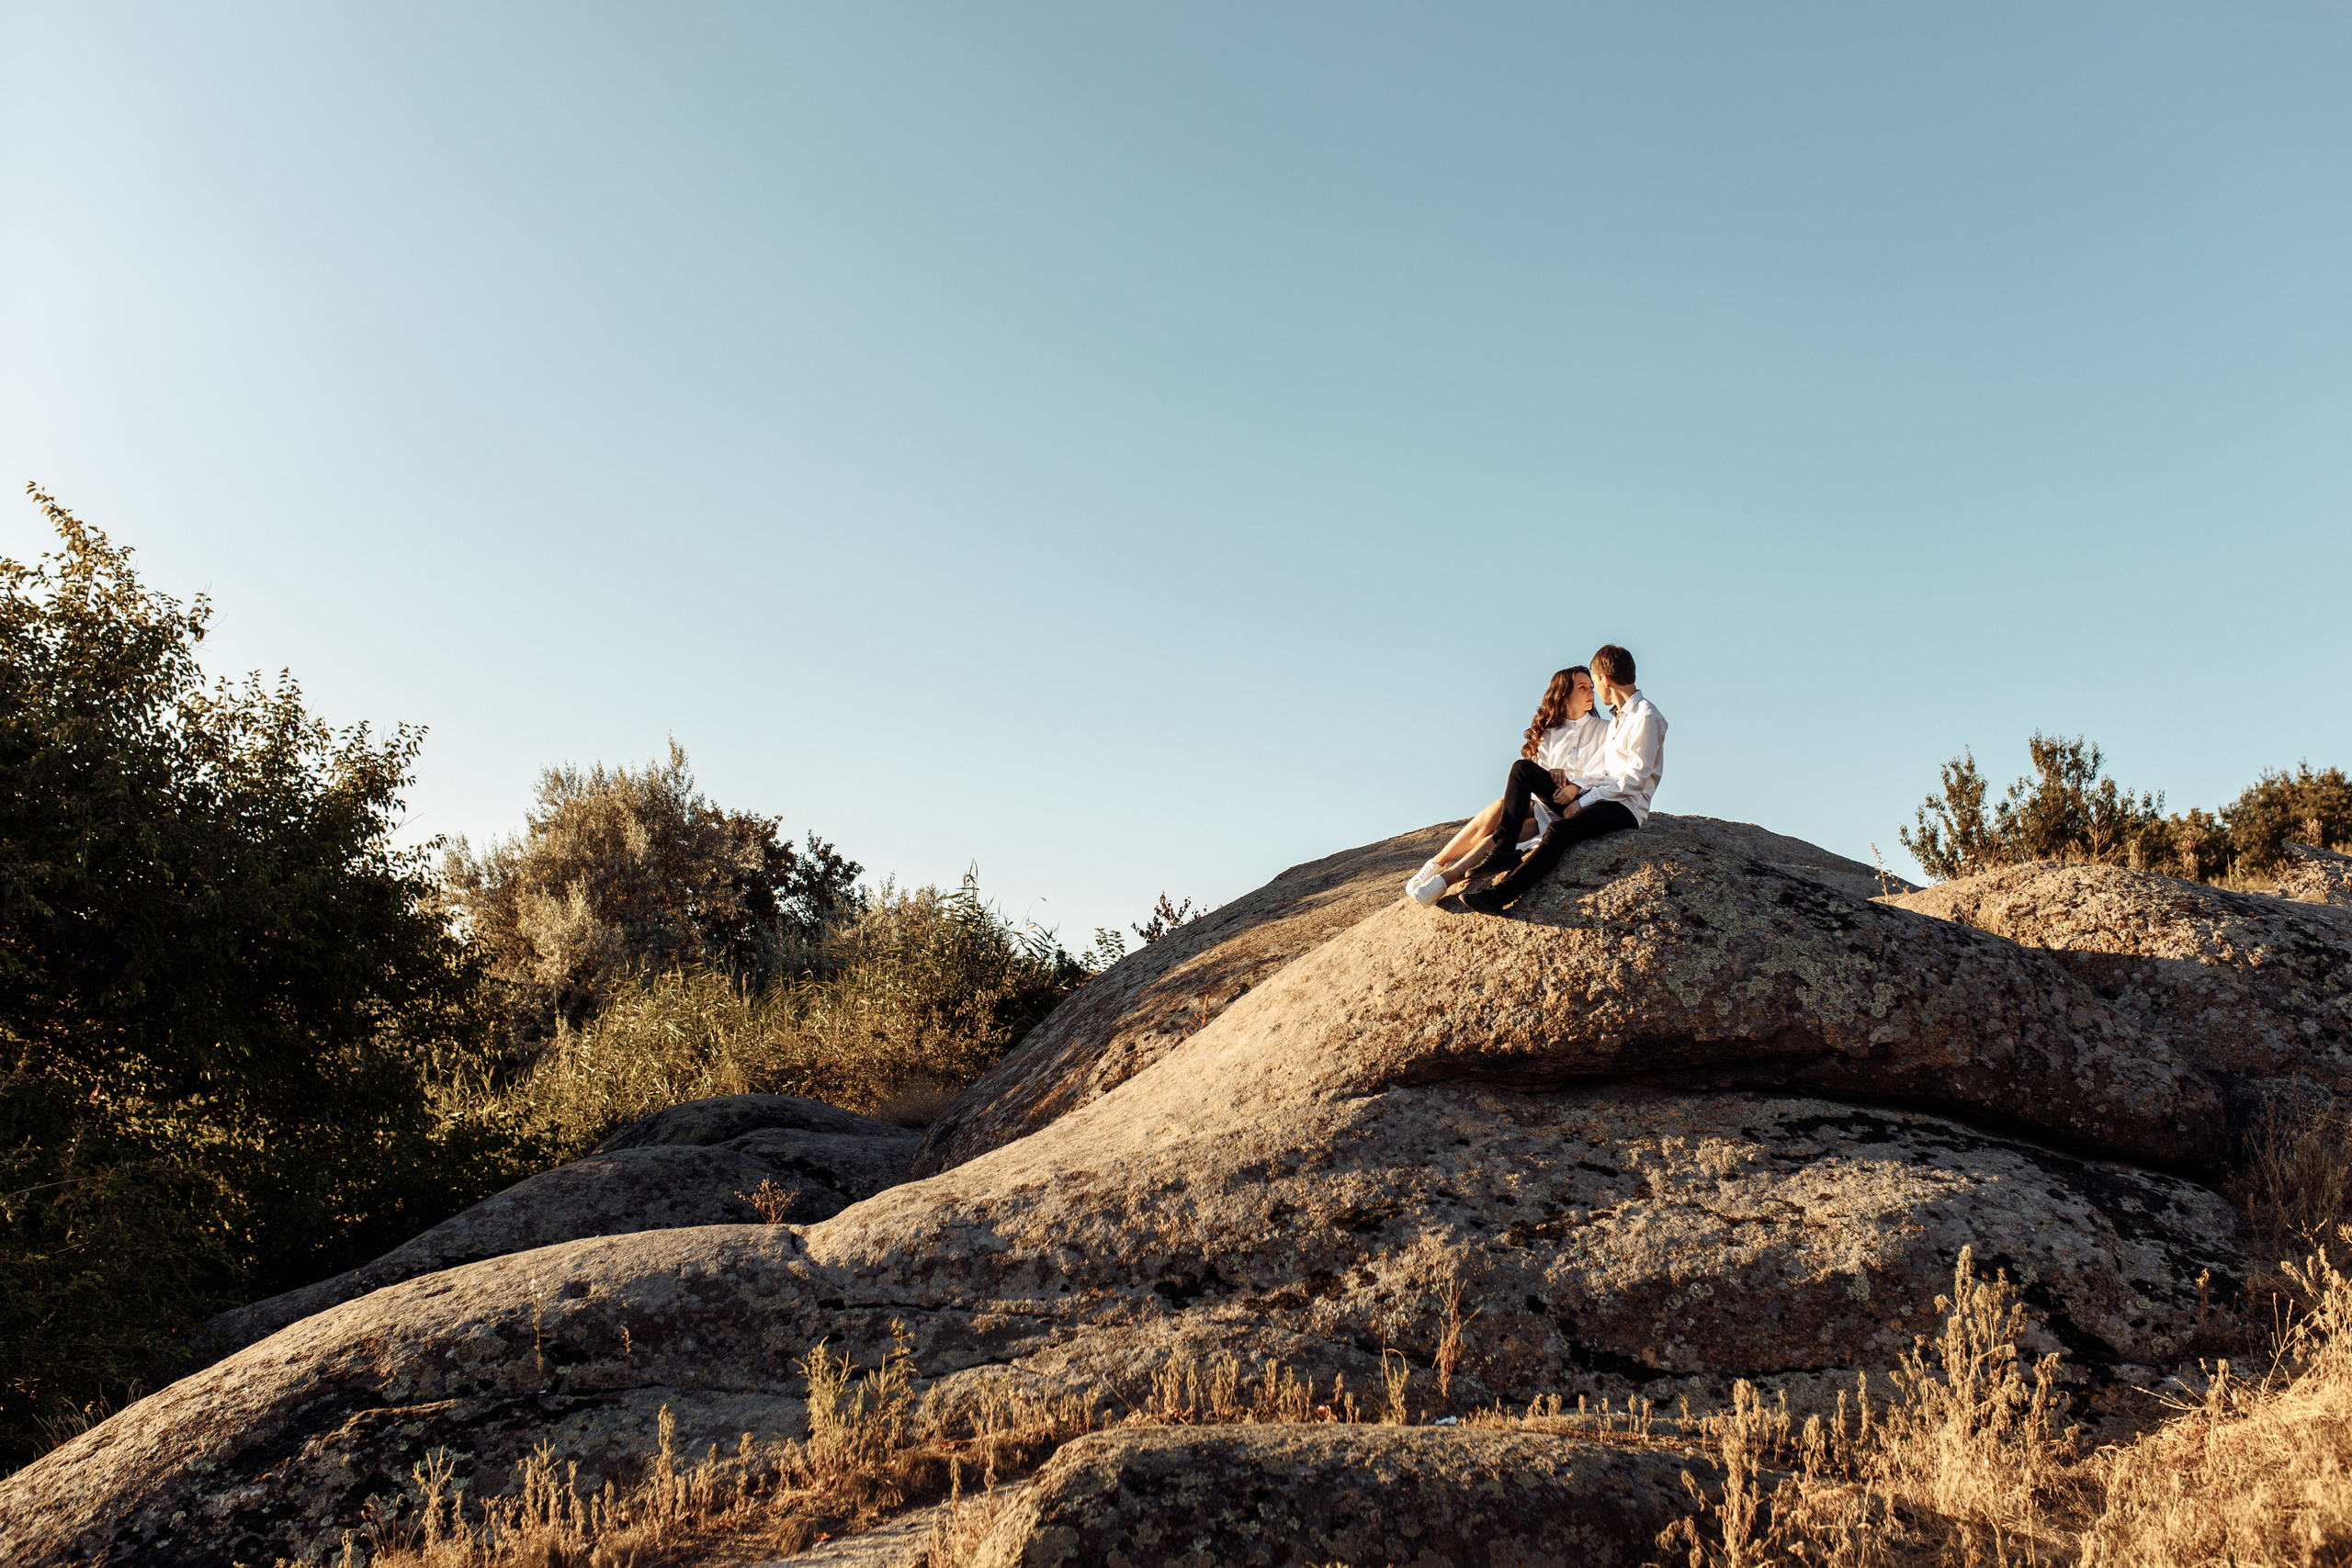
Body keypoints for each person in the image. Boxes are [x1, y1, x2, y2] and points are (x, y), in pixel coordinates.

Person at [1458, 644, 1665, 914]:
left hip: (1624, 808)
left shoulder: (1646, 717)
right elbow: (1605, 772)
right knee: (1523, 769)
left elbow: (1634, 780)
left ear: (1606, 679)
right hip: (1599, 795)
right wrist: (1576, 787)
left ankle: (1500, 896)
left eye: (1594, 682)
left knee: (1559, 831)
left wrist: (1583, 801)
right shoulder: (1618, 719)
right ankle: (1505, 850)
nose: (1593, 689)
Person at [1405, 666, 1609, 904]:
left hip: (1581, 805)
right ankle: (1437, 869)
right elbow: (1539, 777)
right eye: (1582, 687)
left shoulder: (1606, 730)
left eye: (1591, 687)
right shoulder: (1549, 733)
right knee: (1504, 819)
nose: (1591, 692)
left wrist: (1575, 782)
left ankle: (1444, 879)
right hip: (1547, 806)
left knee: (1507, 824)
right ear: (1564, 694)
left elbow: (1608, 772)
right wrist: (1553, 774)